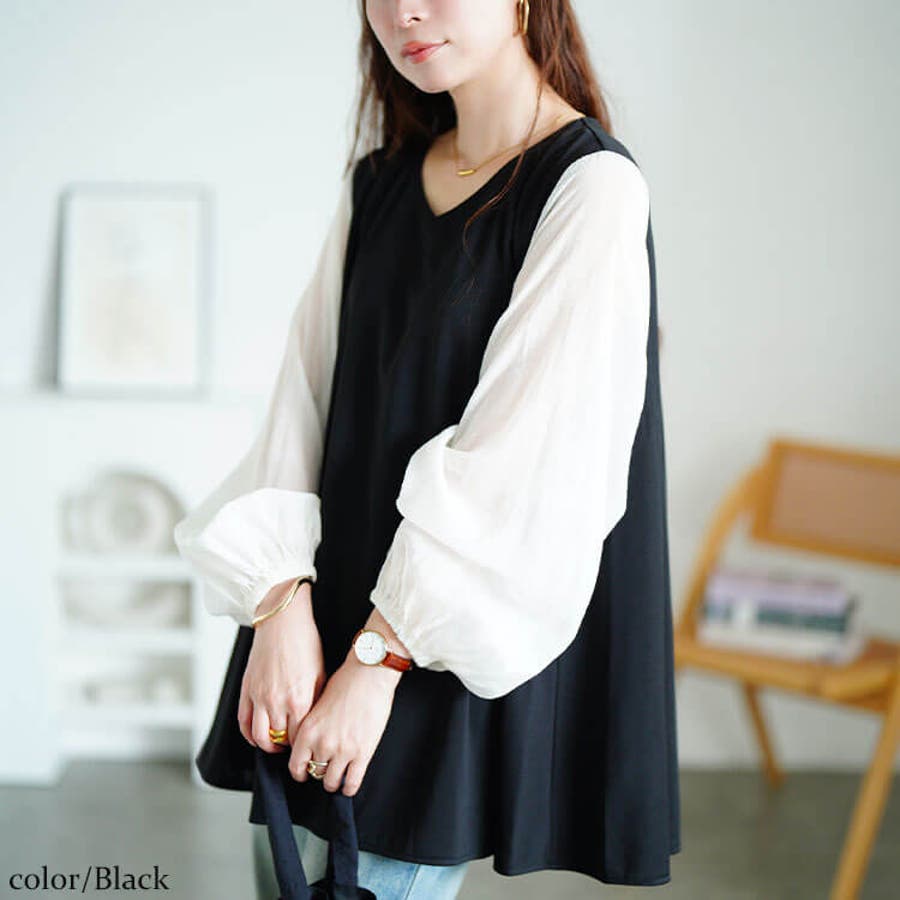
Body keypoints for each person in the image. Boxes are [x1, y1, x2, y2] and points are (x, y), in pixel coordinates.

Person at [174, 0, 681, 897]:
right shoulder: (378, 182)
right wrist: (277, 604)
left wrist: (377, 664)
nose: (404, 10)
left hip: (422, 649)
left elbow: (530, 468)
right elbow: (302, 402)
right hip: (313, 624)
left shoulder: (590, 186)